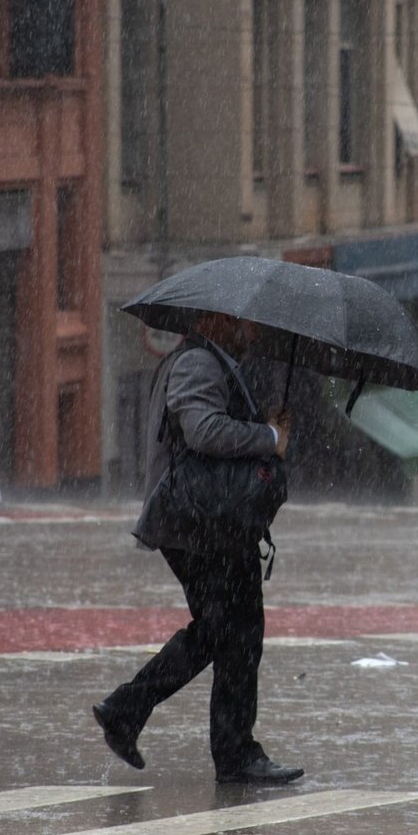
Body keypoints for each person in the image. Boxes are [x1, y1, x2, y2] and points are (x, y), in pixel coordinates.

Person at [92, 311, 303, 785]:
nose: (257, 331)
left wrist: (266, 428)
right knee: (233, 632)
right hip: (201, 524)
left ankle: (137, 714)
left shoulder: (214, 362)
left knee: (227, 633)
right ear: (218, 320)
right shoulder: (197, 364)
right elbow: (205, 431)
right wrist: (270, 437)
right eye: (248, 323)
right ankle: (227, 751)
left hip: (213, 524)